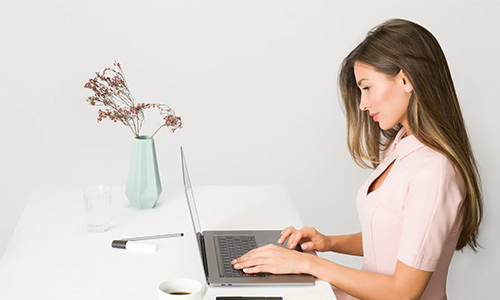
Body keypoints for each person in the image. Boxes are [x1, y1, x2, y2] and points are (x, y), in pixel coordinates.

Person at [232, 18, 483, 300]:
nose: (363, 104)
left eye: (366, 87)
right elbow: (394, 239)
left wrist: (308, 263)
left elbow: (404, 292)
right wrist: (327, 242)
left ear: (406, 80)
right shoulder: (400, 148)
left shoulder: (434, 172)